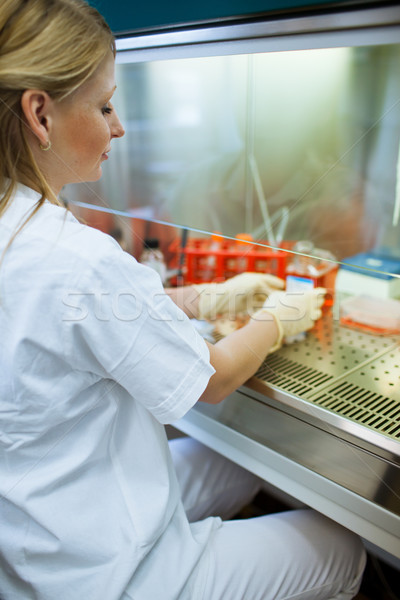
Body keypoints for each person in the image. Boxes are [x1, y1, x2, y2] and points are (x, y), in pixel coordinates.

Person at [0, 1, 366, 599]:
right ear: (40, 114)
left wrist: (201, 298)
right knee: (343, 547)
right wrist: (280, 319)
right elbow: (212, 380)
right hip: (109, 577)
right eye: (105, 105)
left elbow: (79, 316)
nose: (118, 127)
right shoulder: (72, 253)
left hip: (40, 539)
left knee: (240, 461)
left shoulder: (20, 229)